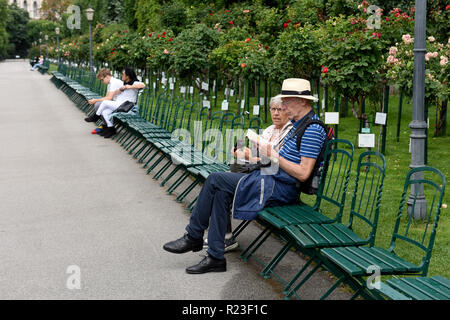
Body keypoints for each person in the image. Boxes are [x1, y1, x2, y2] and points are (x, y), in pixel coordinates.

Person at [163, 78, 326, 274]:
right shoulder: (299, 125)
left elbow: (302, 173)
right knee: (221, 190)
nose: (282, 107)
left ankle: (194, 235)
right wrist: (261, 156)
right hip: (270, 179)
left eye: (286, 102)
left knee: (215, 179)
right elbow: (281, 163)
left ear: (302, 101)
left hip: (280, 188)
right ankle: (215, 257)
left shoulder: (312, 129)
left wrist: (272, 155)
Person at [203, 94, 293, 253]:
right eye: (273, 109)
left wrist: (249, 157)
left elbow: (275, 163)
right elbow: (257, 155)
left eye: (280, 109)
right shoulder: (269, 130)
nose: (276, 113)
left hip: (270, 183)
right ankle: (225, 237)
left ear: (289, 111)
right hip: (257, 175)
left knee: (218, 183)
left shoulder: (290, 133)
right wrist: (241, 153)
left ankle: (204, 232)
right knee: (221, 188)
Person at [89, 67, 145, 138]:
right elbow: (116, 93)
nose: (122, 75)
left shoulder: (134, 82)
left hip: (126, 105)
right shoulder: (123, 83)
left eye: (123, 74)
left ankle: (96, 116)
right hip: (119, 103)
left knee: (105, 102)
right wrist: (119, 90)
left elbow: (143, 85)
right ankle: (111, 129)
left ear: (127, 76)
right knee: (105, 112)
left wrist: (129, 87)